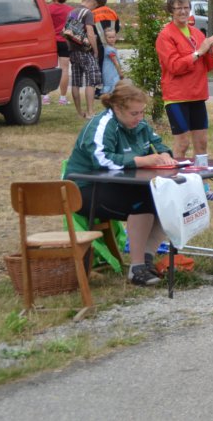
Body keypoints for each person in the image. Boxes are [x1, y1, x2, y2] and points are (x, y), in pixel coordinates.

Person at [63, 80, 174, 286]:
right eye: (134, 113)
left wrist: (165, 154)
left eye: (142, 112)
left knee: (165, 201)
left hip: (115, 185)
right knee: (142, 201)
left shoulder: (140, 125)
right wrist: (141, 160)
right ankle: (136, 269)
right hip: (84, 189)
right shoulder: (103, 124)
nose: (139, 117)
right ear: (117, 108)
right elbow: (101, 159)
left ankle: (146, 260)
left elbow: (158, 143)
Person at [155, 0, 213, 204]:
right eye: (178, 8)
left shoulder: (196, 33)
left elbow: (209, 66)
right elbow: (174, 66)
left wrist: (210, 50)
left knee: (201, 143)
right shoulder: (165, 36)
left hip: (197, 94)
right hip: (176, 96)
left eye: (186, 7)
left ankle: (203, 189)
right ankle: (177, 189)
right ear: (171, 10)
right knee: (182, 144)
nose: (183, 11)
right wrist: (198, 52)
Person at [68, 0, 100, 119]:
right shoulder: (87, 13)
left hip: (73, 51)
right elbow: (90, 33)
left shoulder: (72, 12)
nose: (93, 9)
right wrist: (95, 50)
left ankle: (79, 112)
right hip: (85, 51)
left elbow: (67, 32)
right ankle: (90, 112)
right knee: (91, 81)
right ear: (90, 2)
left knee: (76, 82)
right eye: (94, 6)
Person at [46, 0, 73, 105]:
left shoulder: (47, 9)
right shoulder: (70, 10)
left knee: (47, 68)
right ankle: (62, 98)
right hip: (64, 41)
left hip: (50, 41)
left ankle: (45, 96)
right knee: (64, 69)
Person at [92, 0, 120, 98]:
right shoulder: (112, 12)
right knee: (111, 68)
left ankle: (99, 90)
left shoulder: (93, 13)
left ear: (96, 1)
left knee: (99, 67)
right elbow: (117, 28)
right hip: (110, 45)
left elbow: (90, 30)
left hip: (98, 45)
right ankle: (112, 88)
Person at [101, 28, 124, 94]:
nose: (111, 39)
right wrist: (120, 73)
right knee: (111, 86)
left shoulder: (111, 48)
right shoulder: (109, 50)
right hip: (110, 71)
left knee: (114, 86)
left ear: (116, 37)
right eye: (109, 37)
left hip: (113, 71)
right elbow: (115, 62)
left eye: (113, 37)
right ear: (105, 38)